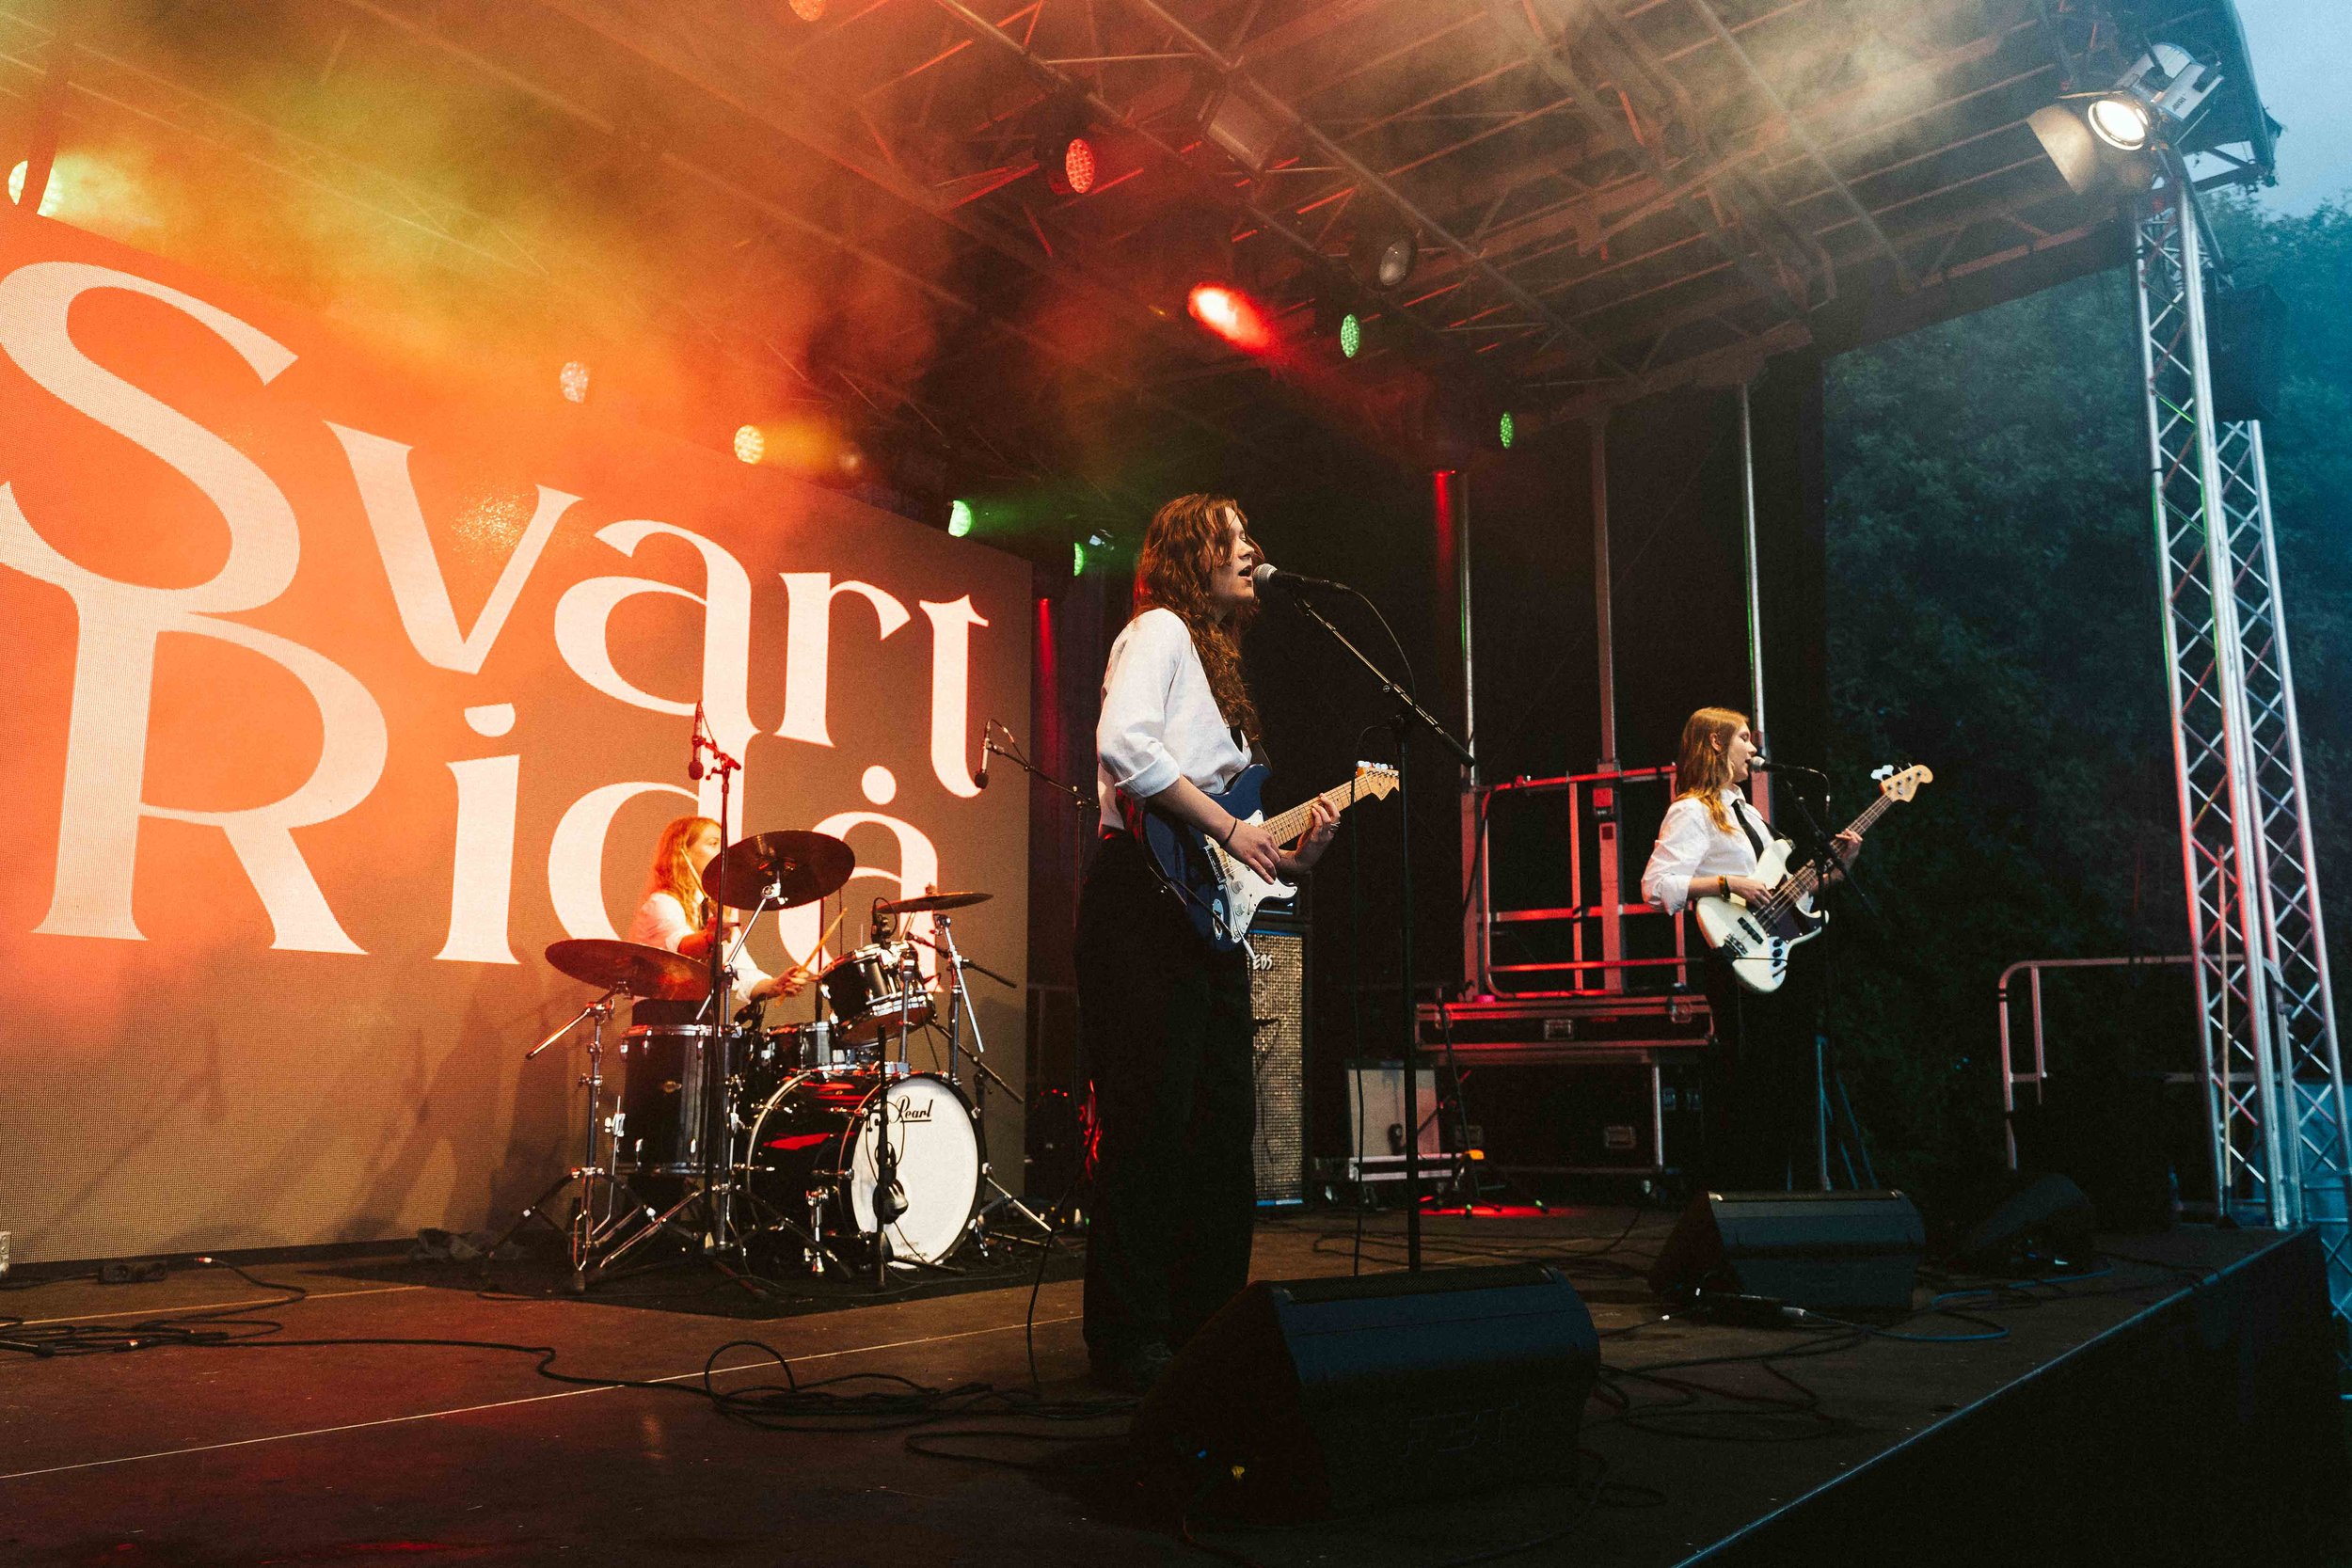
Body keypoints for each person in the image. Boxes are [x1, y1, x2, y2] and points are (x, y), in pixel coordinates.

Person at [1076, 494, 1340, 1394]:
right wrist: (1231, 830)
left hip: (1200, 918)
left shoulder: (1219, 672)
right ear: (1195, 550)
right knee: (1149, 1125)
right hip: (1140, 910)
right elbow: (1124, 746)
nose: (1253, 546)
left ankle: (1204, 1325)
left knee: (1223, 1130)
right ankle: (1127, 1336)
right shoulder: (1157, 631)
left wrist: (1293, 858)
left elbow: (1241, 845)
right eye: (1235, 533)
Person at [1640, 708, 1855, 1190]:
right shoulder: (1693, 810)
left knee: (1783, 1082)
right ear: (1715, 744)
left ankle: (1785, 1192)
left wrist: (1833, 875)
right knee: (1750, 1083)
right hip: (1732, 958)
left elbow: (1780, 892)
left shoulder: (1750, 812)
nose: (1755, 750)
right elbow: (1655, 887)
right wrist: (1725, 881)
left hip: (1775, 958)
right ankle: (1746, 1197)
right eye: (1743, 738)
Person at [628, 815, 802, 1022]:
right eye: (713, 844)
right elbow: (681, 946)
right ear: (683, 853)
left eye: (724, 844)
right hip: (661, 1017)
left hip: (700, 1018)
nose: (723, 852)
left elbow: (742, 972)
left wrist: (775, 985)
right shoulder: (662, 903)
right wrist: (709, 938)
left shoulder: (714, 913)